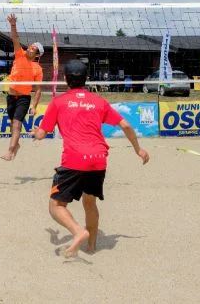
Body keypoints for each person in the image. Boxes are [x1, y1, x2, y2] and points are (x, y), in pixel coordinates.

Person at [32, 59, 150, 258]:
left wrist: (36, 132)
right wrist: (138, 149)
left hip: (75, 159)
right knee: (90, 203)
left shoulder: (59, 102)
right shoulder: (98, 101)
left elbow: (42, 135)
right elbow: (126, 126)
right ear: (86, 79)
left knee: (55, 206)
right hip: (98, 159)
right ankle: (92, 246)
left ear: (65, 79)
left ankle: (79, 232)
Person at [1, 14, 43, 161]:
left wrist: (34, 106)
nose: (30, 48)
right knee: (13, 125)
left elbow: (38, 89)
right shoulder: (19, 55)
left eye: (34, 48)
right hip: (11, 96)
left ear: (37, 54)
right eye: (31, 46)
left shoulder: (37, 68)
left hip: (24, 98)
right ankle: (16, 145)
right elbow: (15, 39)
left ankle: (10, 150)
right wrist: (13, 25)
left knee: (17, 124)